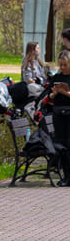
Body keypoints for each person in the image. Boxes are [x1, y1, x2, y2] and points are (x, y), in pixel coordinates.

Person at [49, 50, 70, 186]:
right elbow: (49, 98)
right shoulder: (56, 77)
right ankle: (66, 176)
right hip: (58, 113)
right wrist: (55, 93)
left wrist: (66, 92)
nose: (62, 68)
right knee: (61, 145)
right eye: (61, 65)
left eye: (65, 65)